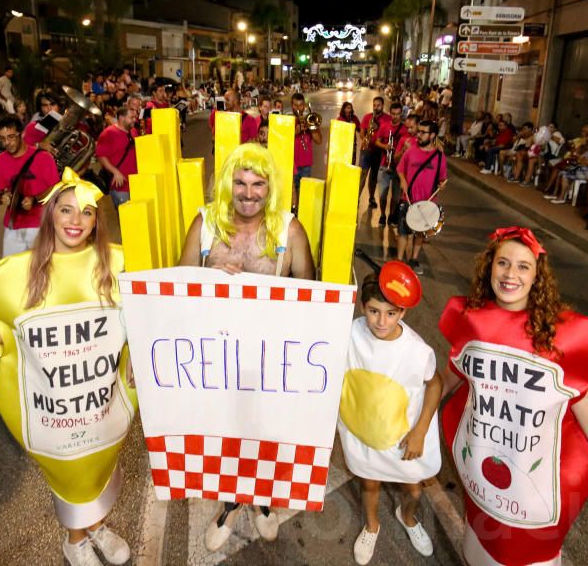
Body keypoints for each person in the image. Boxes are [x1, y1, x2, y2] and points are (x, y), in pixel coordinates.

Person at [0, 171, 137, 566]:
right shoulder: (20, 271)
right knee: (68, 468)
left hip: (101, 397)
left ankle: (97, 526)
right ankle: (75, 538)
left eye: (87, 212)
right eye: (66, 209)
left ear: (97, 220)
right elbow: (11, 331)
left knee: (99, 463)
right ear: (51, 214)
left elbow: (144, 320)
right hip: (54, 406)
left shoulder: (120, 263)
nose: (75, 220)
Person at [439, 226, 588, 566]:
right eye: (503, 263)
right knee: (480, 542)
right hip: (486, 457)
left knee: (529, 551)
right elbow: (450, 376)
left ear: (537, 276)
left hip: (541, 469)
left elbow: (582, 396)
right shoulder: (472, 319)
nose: (510, 274)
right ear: (489, 266)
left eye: (523, 266)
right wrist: (413, 406)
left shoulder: (562, 333)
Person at [178, 143, 314, 550]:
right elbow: (177, 286)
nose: (249, 192)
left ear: (270, 187)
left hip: (268, 362)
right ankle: (231, 503)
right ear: (228, 184)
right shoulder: (205, 224)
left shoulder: (289, 230)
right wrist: (210, 275)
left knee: (265, 436)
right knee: (224, 438)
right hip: (215, 359)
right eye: (240, 182)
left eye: (258, 183)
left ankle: (262, 500)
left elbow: (311, 299)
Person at [340, 268, 441, 565]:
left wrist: (420, 431)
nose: (381, 321)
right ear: (362, 307)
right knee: (369, 484)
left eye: (391, 313)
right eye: (373, 311)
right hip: (365, 432)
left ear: (403, 313)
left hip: (402, 438)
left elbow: (435, 384)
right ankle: (372, 525)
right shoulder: (349, 333)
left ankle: (407, 518)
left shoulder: (416, 351)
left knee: (414, 489)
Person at [0, 116, 61, 256]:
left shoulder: (43, 157)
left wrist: (35, 199)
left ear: (22, 134)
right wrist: (1, 197)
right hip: (13, 226)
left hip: (42, 224)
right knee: (12, 273)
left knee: (44, 273)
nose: (7, 143)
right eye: (2, 138)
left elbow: (56, 190)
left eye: (11, 137)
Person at [396, 120, 447, 270]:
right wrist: (403, 181)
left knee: (420, 233)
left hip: (428, 202)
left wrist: (442, 185)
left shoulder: (439, 157)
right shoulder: (411, 151)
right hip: (408, 198)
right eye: (418, 131)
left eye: (423, 132)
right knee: (403, 231)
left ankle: (414, 258)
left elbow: (443, 178)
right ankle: (399, 260)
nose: (418, 135)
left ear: (432, 135)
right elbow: (400, 169)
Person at [95, 107, 139, 208]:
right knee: (126, 218)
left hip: (135, 183)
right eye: (131, 117)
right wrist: (115, 172)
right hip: (120, 185)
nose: (134, 120)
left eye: (134, 117)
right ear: (121, 118)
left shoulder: (133, 131)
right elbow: (101, 156)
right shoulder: (108, 133)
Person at [374, 103, 406, 226]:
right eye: (393, 114)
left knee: (396, 196)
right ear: (390, 113)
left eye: (398, 114)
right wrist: (385, 146)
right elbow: (377, 141)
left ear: (401, 114)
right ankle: (382, 215)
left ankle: (392, 215)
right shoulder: (384, 126)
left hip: (398, 167)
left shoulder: (404, 129)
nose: (395, 116)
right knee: (382, 195)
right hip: (384, 164)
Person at [291, 92, 322, 209]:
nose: (298, 108)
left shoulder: (310, 120)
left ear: (304, 106)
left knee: (304, 194)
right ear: (292, 105)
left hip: (306, 165)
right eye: (295, 105)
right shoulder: (288, 120)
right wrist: (296, 131)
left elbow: (319, 141)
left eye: (301, 105)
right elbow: (282, 139)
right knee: (291, 194)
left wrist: (312, 128)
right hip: (291, 164)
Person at [359, 96, 391, 208]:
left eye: (378, 105)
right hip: (366, 150)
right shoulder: (368, 117)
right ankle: (356, 198)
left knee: (373, 178)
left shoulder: (388, 119)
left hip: (379, 151)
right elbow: (362, 132)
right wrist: (365, 140)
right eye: (374, 105)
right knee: (362, 175)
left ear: (383, 106)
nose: (376, 108)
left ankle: (371, 198)